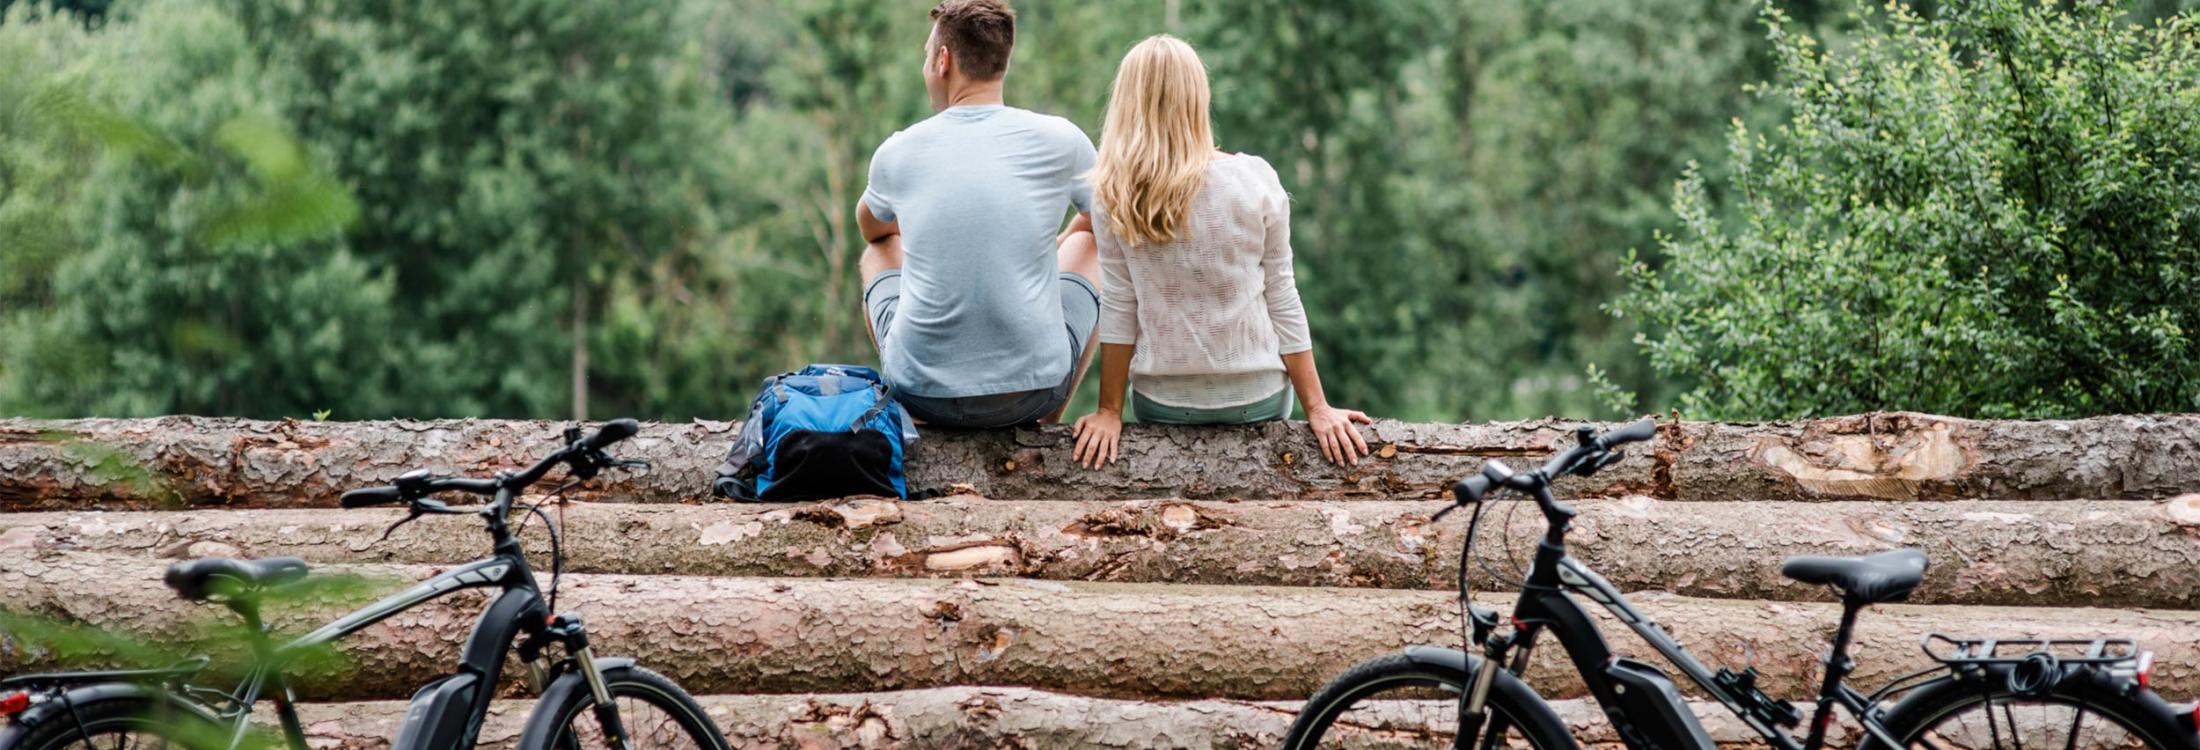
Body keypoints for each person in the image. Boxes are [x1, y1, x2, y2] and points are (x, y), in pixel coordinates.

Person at [1071, 35, 1372, 468]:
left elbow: (1120, 306)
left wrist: (1108, 412)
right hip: (1258, 399)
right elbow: (1282, 297)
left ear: (1125, 102)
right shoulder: (1255, 180)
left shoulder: (1112, 194)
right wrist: (1318, 409)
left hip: (1162, 404)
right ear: (1199, 97)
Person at [858, 0, 1101, 428]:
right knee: (1092, 245)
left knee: (877, 253)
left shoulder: (899, 151)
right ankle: (1048, 424)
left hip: (921, 397)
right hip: (1034, 394)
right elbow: (1112, 224)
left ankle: (922, 412)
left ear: (943, 60)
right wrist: (1060, 238)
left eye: (926, 55)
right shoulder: (1062, 140)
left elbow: (872, 229)